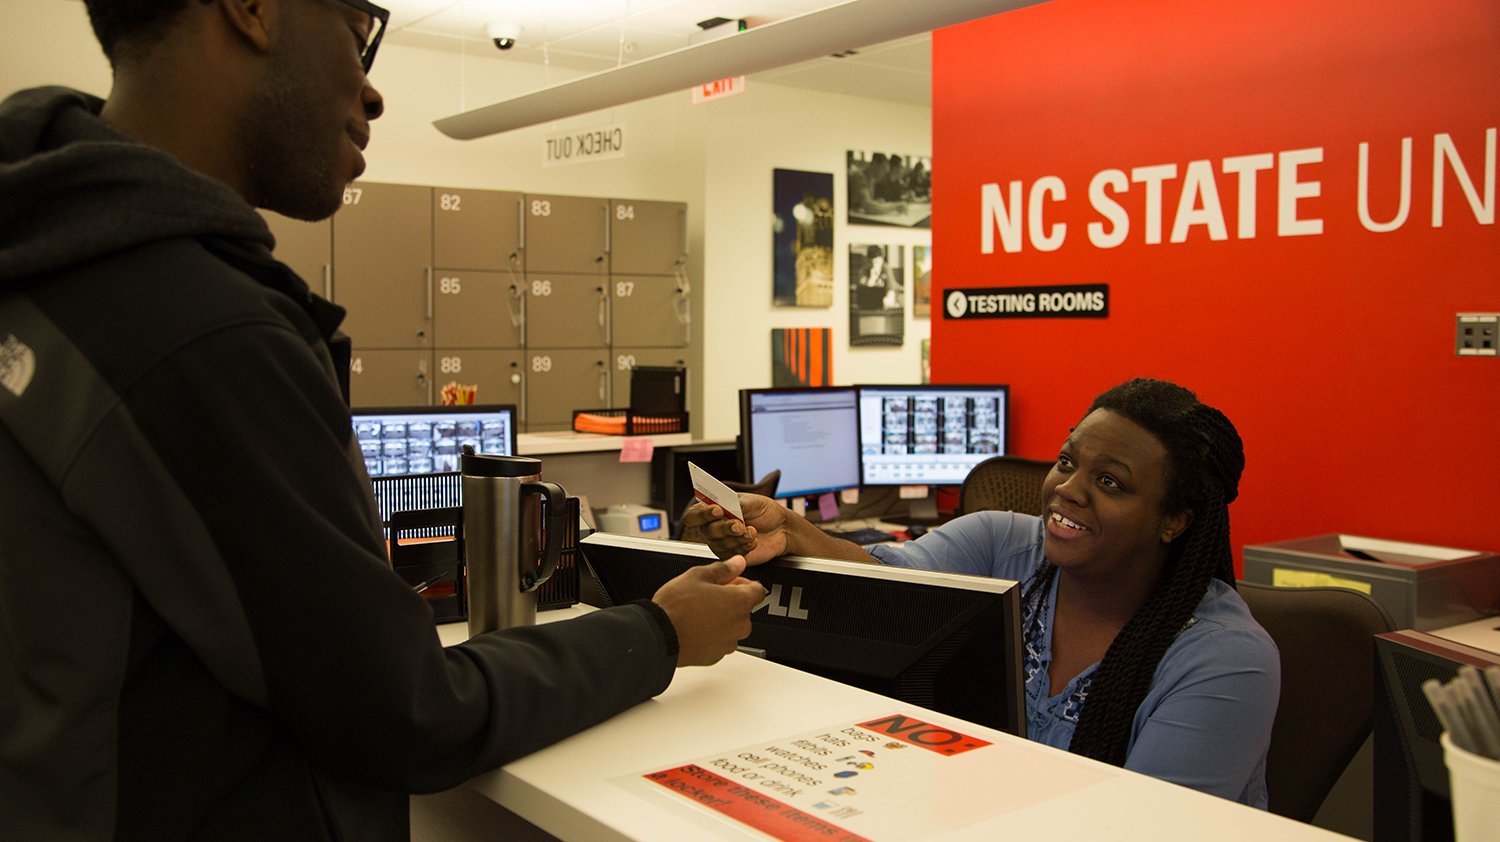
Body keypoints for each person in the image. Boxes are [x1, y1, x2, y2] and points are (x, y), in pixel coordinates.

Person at [0, 1, 765, 839]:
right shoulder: (195, 330)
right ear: (253, 11)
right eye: (357, 28)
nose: (372, 94)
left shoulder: (50, 263)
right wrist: (659, 632)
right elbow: (407, 713)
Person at [685, 378, 1280, 808]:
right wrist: (791, 530)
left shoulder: (1225, 660)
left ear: (1174, 519)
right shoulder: (1002, 545)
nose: (1067, 490)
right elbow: (888, 582)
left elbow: (1149, 827)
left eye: (1109, 482)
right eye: (1066, 461)